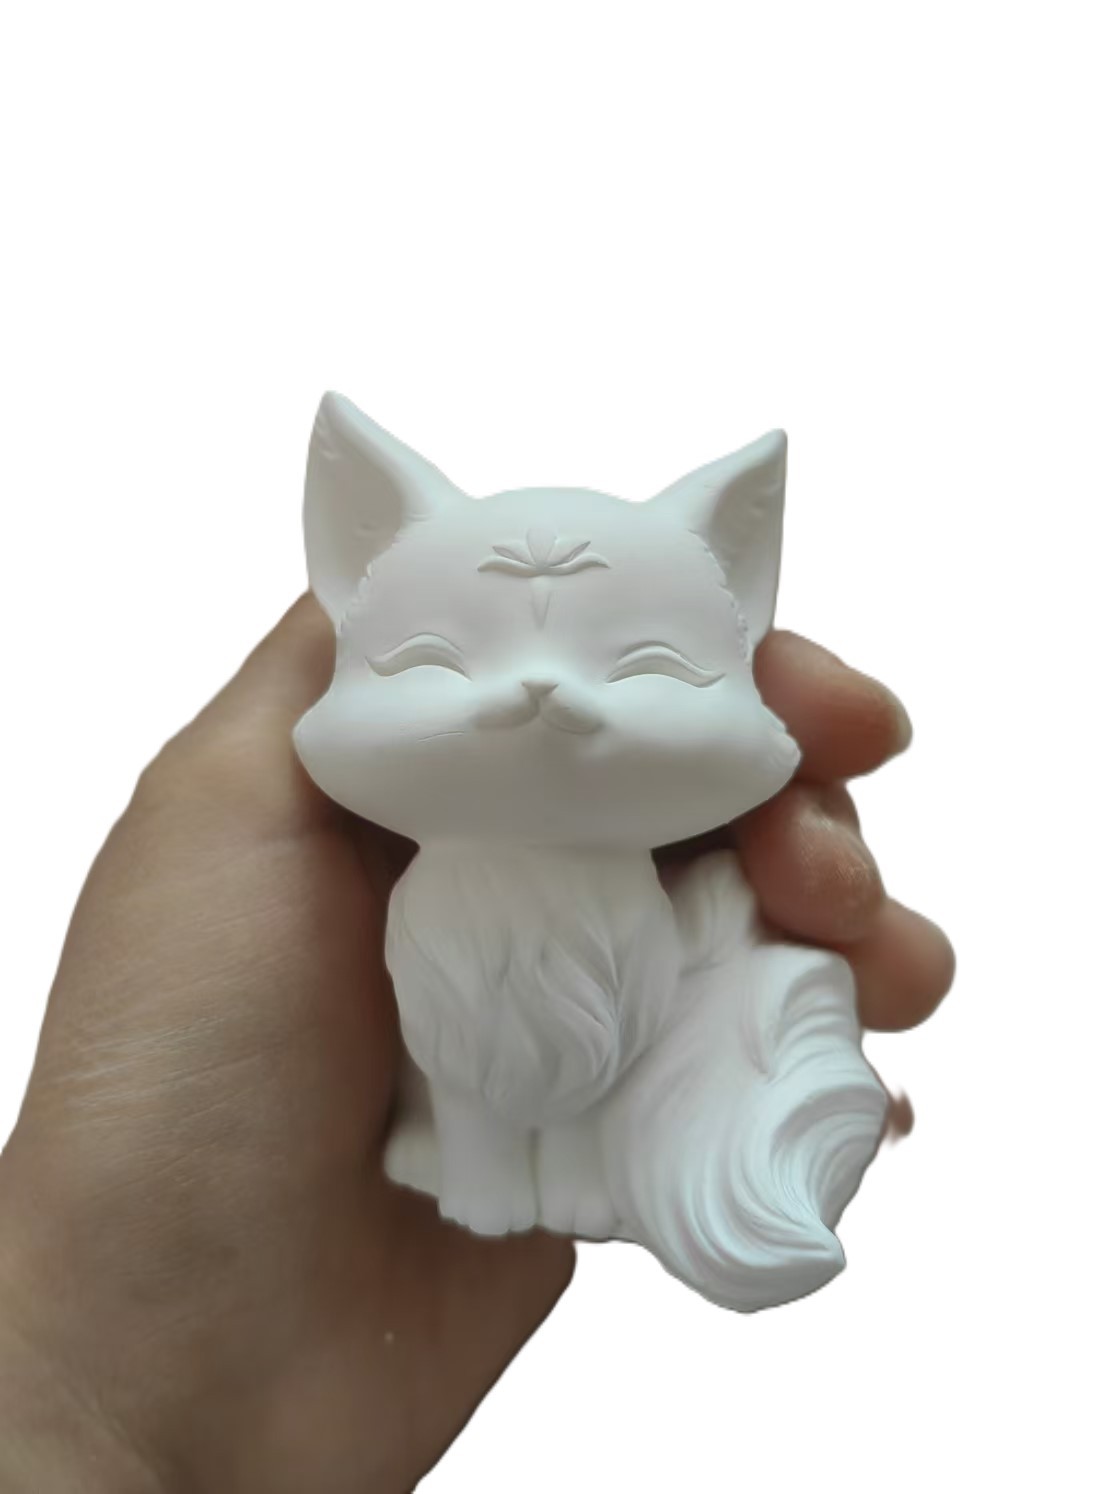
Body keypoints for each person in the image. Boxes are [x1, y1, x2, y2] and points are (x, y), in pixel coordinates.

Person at [0, 597, 953, 1491]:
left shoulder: (635, 883)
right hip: (418, 1129)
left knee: (601, 1046)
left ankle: (573, 1165)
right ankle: (491, 1167)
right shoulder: (417, 887)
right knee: (467, 1050)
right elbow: (449, 1049)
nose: (539, 690)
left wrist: (82, 1403)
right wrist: (76, 1387)